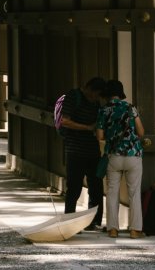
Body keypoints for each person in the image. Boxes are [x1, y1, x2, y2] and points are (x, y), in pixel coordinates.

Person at [98, 78, 148, 239]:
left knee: (112, 192)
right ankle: (135, 230)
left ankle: (113, 229)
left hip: (114, 156)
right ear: (120, 93)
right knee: (134, 193)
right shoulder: (130, 107)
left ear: (106, 94)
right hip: (133, 155)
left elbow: (100, 136)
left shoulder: (104, 110)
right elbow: (141, 132)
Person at [56, 77, 107, 230]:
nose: (96, 98)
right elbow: (65, 121)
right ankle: (69, 221)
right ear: (90, 89)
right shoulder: (74, 96)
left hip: (92, 150)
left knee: (96, 187)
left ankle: (94, 221)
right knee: (74, 187)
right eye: (96, 94)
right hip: (75, 149)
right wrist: (87, 128)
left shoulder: (95, 102)